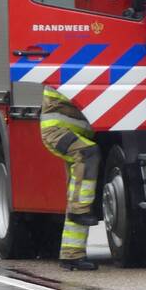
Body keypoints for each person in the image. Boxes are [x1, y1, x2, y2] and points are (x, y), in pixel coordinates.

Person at [40, 86, 101, 271]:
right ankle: (79, 210)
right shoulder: (69, 68)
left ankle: (72, 256)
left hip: (71, 132)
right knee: (87, 154)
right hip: (58, 132)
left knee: (77, 188)